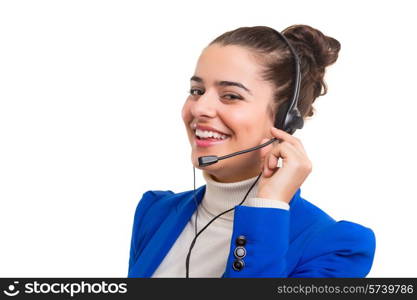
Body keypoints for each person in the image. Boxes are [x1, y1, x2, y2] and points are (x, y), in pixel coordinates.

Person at [127, 25, 376, 278]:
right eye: (196, 91)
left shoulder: (334, 248)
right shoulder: (155, 213)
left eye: (231, 96)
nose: (200, 107)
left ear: (283, 121)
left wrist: (268, 206)